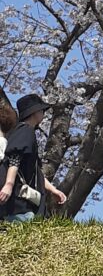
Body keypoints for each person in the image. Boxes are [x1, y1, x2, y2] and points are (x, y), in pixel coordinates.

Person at [0, 94, 67, 224]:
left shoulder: (22, 132)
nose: (43, 114)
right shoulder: (25, 130)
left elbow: (37, 172)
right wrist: (9, 184)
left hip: (17, 200)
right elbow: (15, 157)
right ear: (34, 113)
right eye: (41, 110)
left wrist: (53, 190)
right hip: (16, 200)